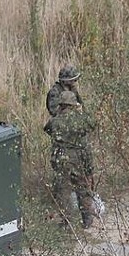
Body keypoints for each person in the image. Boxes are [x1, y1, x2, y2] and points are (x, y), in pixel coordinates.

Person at [43, 90, 98, 229]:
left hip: (61, 159)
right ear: (73, 105)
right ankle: (87, 219)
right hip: (78, 158)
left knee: (63, 191)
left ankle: (67, 222)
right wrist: (80, 111)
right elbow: (92, 123)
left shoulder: (55, 121)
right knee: (82, 188)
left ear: (61, 105)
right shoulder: (80, 120)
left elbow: (47, 129)